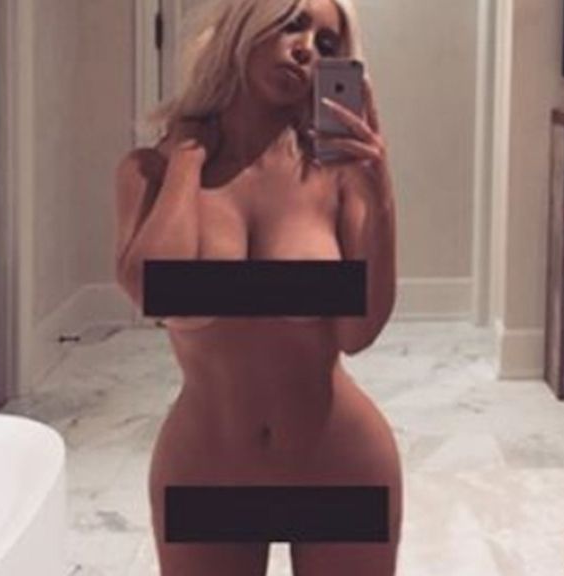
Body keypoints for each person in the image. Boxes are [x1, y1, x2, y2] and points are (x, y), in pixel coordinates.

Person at [112, 0, 402, 573]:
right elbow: (156, 291)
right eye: (292, 24)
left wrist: (380, 192)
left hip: (339, 464)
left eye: (326, 45)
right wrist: (188, 160)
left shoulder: (335, 178)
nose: (306, 50)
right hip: (206, 472)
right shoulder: (150, 171)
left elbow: (357, 333)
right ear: (245, 25)